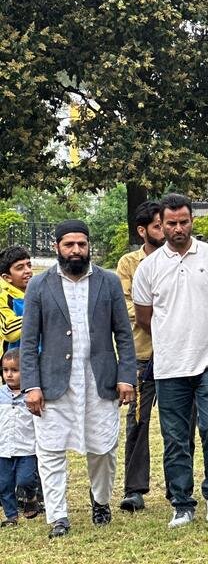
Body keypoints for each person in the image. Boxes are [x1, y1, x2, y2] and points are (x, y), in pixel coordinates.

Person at [20, 220, 136, 538]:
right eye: (69, 244)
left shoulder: (108, 281)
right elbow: (28, 342)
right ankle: (58, 516)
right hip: (54, 384)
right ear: (57, 247)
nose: (76, 250)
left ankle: (100, 501)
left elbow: (124, 335)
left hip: (100, 381)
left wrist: (126, 376)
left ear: (88, 246)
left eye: (81, 244)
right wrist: (31, 385)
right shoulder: (39, 285)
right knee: (50, 450)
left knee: (103, 447)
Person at [132, 194, 208, 529]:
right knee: (175, 437)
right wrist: (172, 334)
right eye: (171, 223)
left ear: (192, 221)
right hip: (170, 364)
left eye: (183, 222)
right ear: (160, 225)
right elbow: (144, 317)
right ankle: (182, 502)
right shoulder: (149, 268)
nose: (178, 228)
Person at [116, 201, 167, 512]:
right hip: (142, 355)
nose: (165, 230)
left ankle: (179, 486)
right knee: (138, 422)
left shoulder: (177, 259)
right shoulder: (129, 264)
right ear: (142, 231)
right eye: (158, 226)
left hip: (177, 355)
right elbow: (127, 307)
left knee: (180, 423)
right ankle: (134, 489)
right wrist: (165, 315)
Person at [1, 350, 37, 527]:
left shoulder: (32, 396)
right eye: (5, 370)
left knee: (26, 480)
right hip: (3, 449)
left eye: (14, 370)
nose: (9, 374)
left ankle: (30, 497)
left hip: (26, 448)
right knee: (4, 484)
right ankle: (11, 516)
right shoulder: (1, 394)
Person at [1, 246, 32, 353]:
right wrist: (36, 314)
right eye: (20, 268)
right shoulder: (3, 298)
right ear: (7, 277)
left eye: (29, 265)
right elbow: (9, 332)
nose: (28, 271)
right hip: (11, 359)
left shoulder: (37, 291)